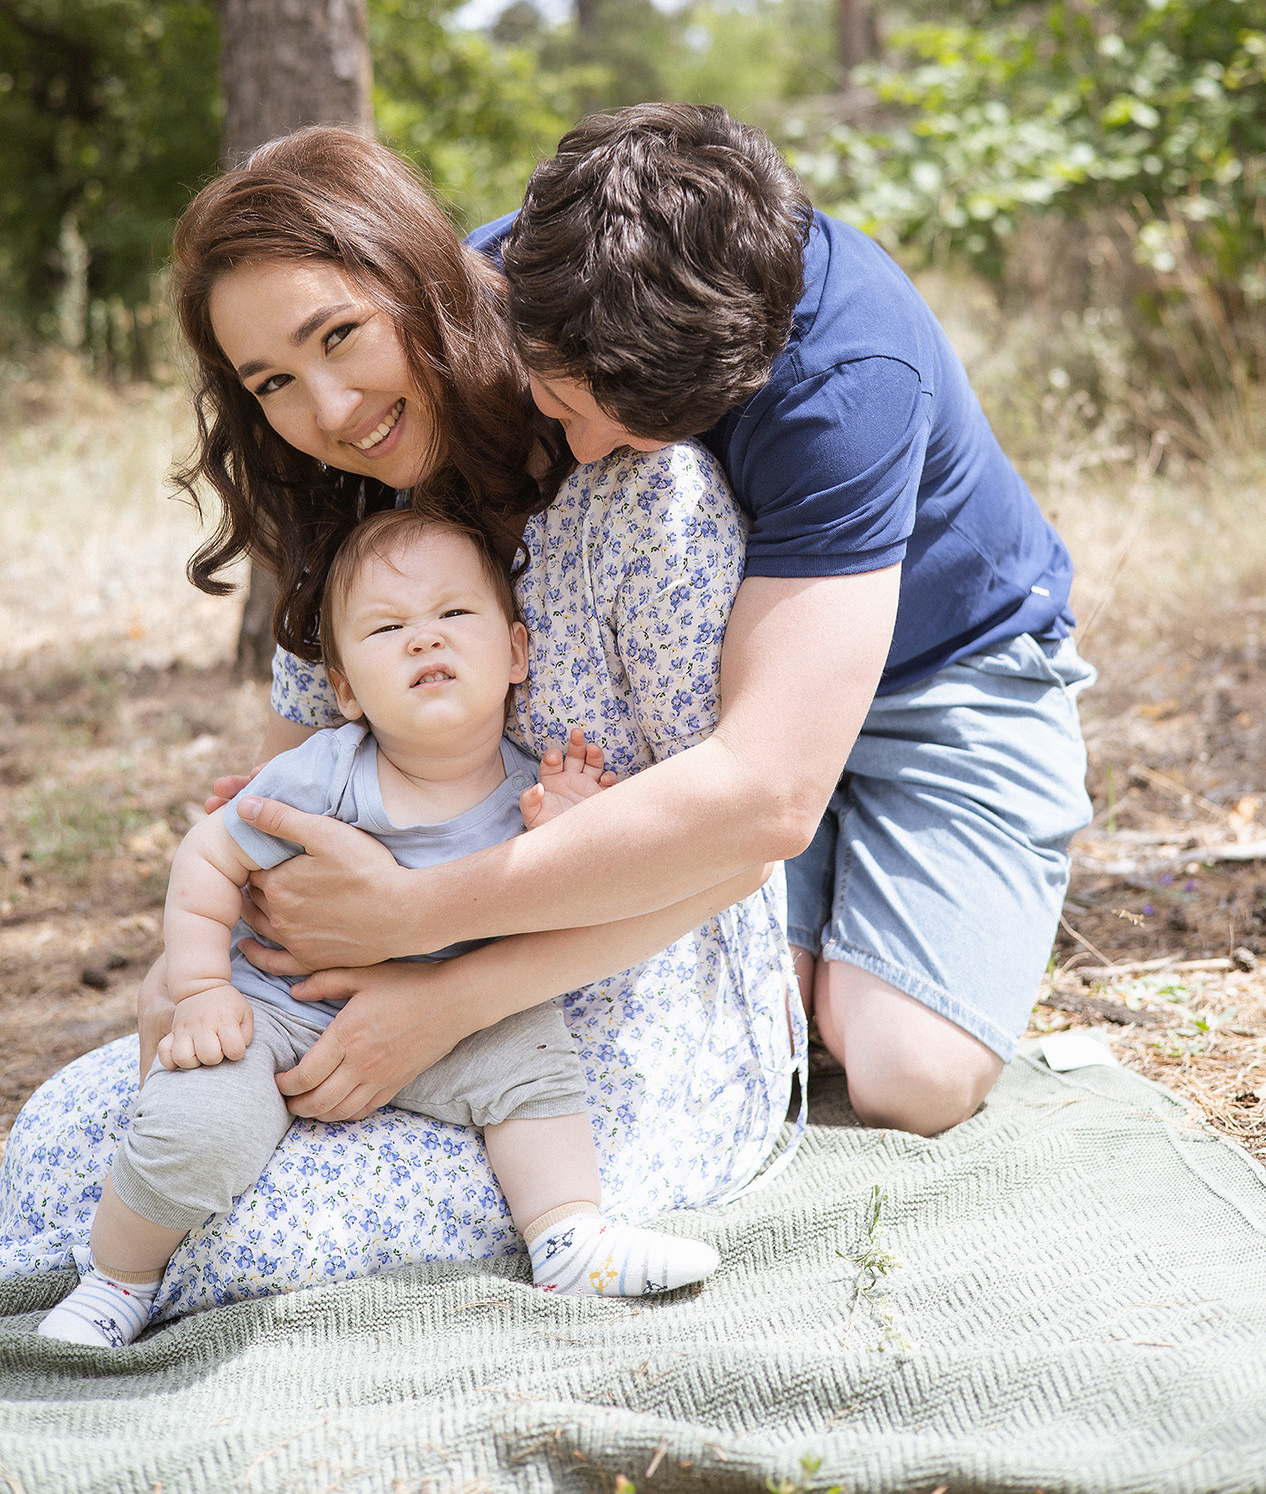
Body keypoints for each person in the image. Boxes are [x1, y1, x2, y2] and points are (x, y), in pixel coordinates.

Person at [0, 126, 794, 1319]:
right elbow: (278, 812)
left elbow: (730, 846)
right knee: (75, 1134)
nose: (324, 406)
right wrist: (193, 973)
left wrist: (447, 994)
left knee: (253, 1231)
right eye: (269, 381)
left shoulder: (639, 488)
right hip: (336, 995)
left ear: (419, 282)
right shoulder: (351, 521)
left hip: (590, 1016)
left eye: (339, 336)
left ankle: (567, 1235)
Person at [245, 105, 1094, 1139]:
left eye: (635, 428)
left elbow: (768, 796)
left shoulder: (844, 379)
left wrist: (424, 916)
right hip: (708, 703)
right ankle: (813, 940)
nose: (588, 453)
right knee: (734, 998)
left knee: (905, 1072)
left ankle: (900, 917)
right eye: (561, 408)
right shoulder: (508, 284)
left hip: (945, 677)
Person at [38, 512, 719, 1347]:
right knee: (199, 1123)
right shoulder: (325, 771)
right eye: (388, 628)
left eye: (453, 616)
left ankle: (568, 1238)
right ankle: (117, 1280)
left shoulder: (528, 790)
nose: (424, 640)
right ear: (348, 689)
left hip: (444, 1013)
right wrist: (203, 988)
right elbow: (208, 859)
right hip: (281, 1010)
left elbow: (587, 892)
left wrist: (573, 828)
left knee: (536, 1057)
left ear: (516, 654)